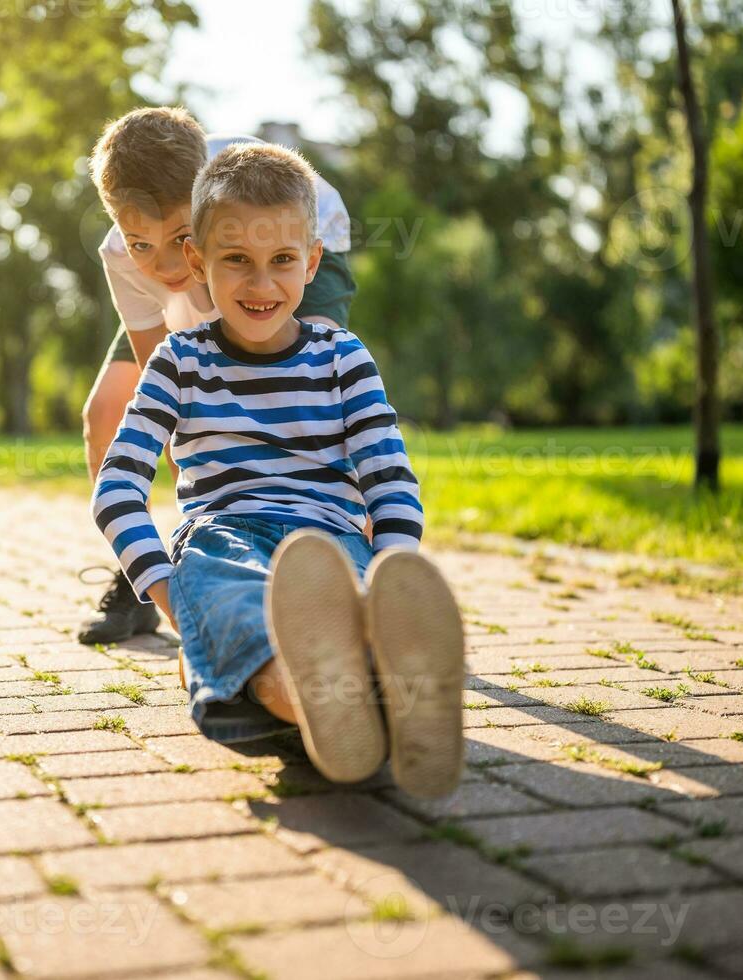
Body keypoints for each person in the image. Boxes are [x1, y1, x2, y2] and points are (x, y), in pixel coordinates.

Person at [91, 143, 464, 797]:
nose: (261, 286)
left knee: (296, 624)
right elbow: (118, 484)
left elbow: (388, 474)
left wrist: (390, 571)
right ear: (199, 263)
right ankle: (356, 709)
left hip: (331, 545)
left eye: (282, 262)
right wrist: (168, 593)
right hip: (221, 541)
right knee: (241, 624)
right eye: (237, 262)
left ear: (312, 262)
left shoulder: (342, 357)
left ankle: (372, 687)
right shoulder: (178, 363)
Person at [77, 106, 356, 645]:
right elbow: (165, 395)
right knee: (107, 411)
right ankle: (139, 576)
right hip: (205, 262)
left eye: (176, 235)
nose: (161, 264)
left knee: (307, 393)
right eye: (140, 244)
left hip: (274, 247)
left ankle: (345, 546)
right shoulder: (125, 256)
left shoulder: (252, 208)